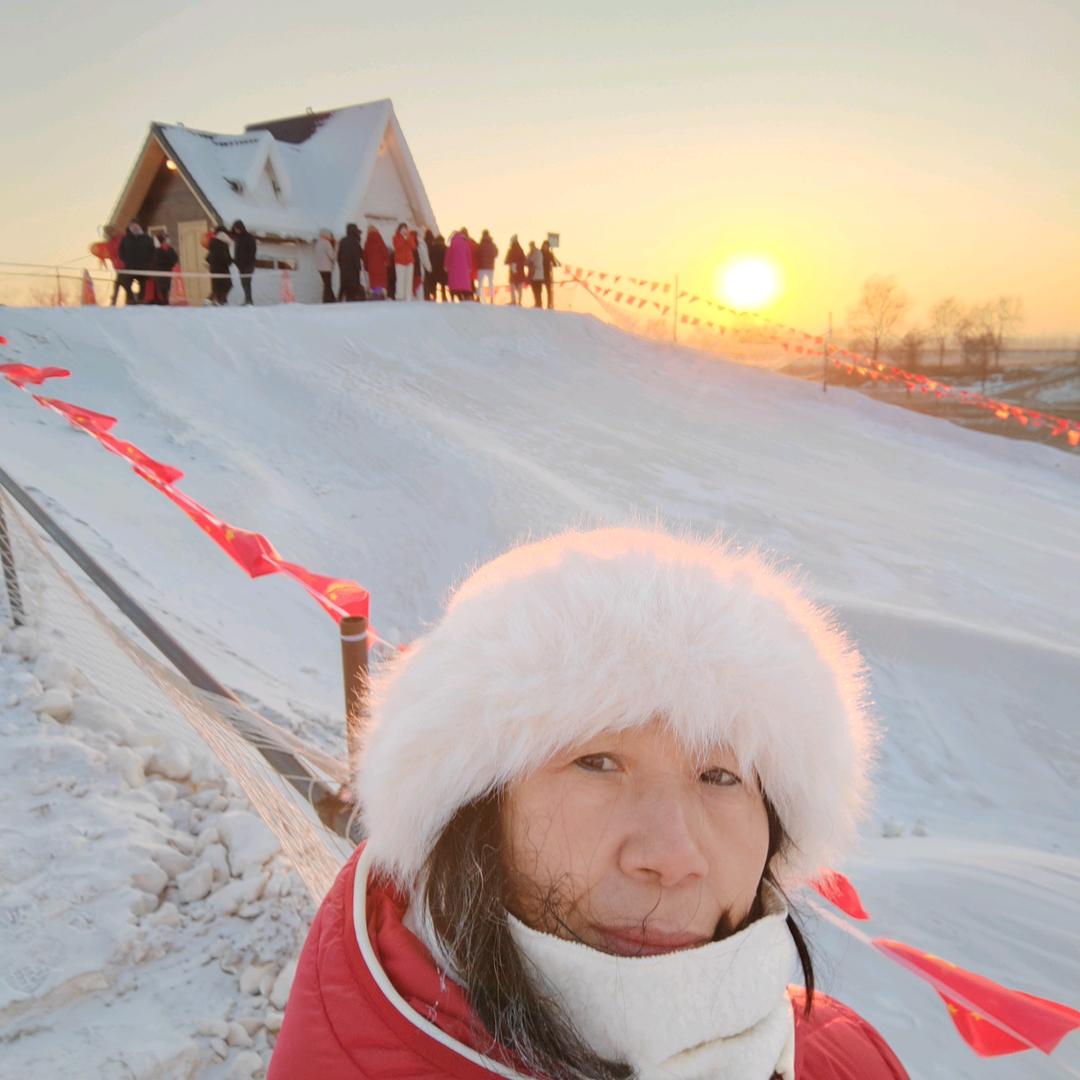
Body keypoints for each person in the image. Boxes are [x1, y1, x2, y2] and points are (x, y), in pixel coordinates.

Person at [269, 527, 908, 1080]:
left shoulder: (842, 1059)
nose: (672, 856)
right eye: (598, 763)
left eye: (720, 777)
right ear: (474, 809)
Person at [119, 222, 155, 304]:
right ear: (130, 229)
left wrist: (148, 262)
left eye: (136, 226)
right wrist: (125, 260)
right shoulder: (126, 239)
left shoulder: (147, 238)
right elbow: (121, 251)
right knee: (126, 283)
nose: (135, 228)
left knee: (142, 284)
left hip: (143, 266)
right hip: (129, 266)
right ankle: (130, 299)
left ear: (139, 227)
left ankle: (141, 299)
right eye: (132, 227)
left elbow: (152, 251)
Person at [232, 220, 257, 306]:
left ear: (241, 227)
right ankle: (247, 299)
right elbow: (236, 251)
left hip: (248, 265)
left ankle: (249, 300)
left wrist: (248, 262)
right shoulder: (237, 238)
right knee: (243, 282)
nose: (236, 230)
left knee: (247, 282)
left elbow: (252, 251)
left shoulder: (249, 237)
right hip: (240, 266)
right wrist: (236, 261)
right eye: (235, 229)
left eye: (237, 228)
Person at [206, 226, 233, 306]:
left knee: (218, 286)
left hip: (215, 267)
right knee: (225, 285)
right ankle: (218, 301)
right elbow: (224, 256)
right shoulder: (222, 242)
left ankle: (215, 300)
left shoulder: (214, 241)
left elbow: (211, 255)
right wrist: (230, 260)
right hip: (221, 268)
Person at [105, 225, 131, 306]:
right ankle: (129, 300)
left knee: (121, 284)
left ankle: (125, 301)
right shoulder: (110, 242)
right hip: (118, 267)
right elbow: (111, 254)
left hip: (125, 266)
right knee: (123, 284)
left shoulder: (122, 238)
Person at [338, 223, 365, 302]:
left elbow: (339, 256)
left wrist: (341, 265)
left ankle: (340, 300)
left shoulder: (342, 241)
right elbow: (359, 255)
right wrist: (358, 267)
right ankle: (351, 303)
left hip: (344, 268)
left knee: (343, 285)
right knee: (353, 288)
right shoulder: (355, 242)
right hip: (353, 269)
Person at [446, 229, 474, 302]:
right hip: (464, 267)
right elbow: (469, 256)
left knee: (454, 282)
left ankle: (453, 296)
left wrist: (446, 265)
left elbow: (448, 255)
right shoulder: (465, 243)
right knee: (463, 282)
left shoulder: (452, 243)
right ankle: (464, 296)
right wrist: (470, 266)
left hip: (453, 266)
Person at [151, 234, 179, 305]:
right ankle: (164, 302)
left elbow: (175, 258)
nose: (168, 241)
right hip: (160, 273)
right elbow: (157, 261)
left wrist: (171, 263)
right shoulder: (157, 250)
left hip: (169, 272)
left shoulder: (170, 249)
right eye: (167, 240)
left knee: (167, 289)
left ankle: (167, 302)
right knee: (162, 290)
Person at [392, 223, 417, 302]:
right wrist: (403, 238)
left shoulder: (410, 236)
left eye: (405, 228)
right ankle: (400, 296)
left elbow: (413, 247)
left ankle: (408, 296)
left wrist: (408, 237)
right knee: (400, 279)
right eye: (402, 229)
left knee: (409, 279)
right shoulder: (395, 237)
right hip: (399, 262)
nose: (404, 230)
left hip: (409, 261)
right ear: (399, 230)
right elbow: (397, 247)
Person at [364, 226, 389, 299]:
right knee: (380, 281)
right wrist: (387, 262)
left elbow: (365, 256)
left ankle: (375, 294)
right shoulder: (380, 240)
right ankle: (381, 294)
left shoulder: (367, 242)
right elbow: (385, 252)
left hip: (371, 267)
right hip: (381, 266)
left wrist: (366, 266)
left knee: (374, 282)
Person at [315, 229, 336, 303]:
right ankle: (328, 300)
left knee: (326, 284)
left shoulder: (318, 243)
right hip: (327, 267)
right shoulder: (327, 243)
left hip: (320, 267)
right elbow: (332, 256)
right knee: (328, 285)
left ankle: (331, 299)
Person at [477, 229, 498, 303]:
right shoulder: (493, 244)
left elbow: (477, 254)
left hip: (481, 266)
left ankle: (478, 297)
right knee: (491, 283)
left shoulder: (480, 244)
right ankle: (492, 298)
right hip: (490, 267)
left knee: (480, 283)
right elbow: (496, 254)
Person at [505, 234, 526, 306]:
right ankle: (519, 301)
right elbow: (524, 260)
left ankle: (513, 300)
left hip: (512, 270)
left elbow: (507, 260)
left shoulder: (510, 250)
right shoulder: (521, 250)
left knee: (512, 285)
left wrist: (511, 263)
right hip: (520, 270)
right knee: (520, 286)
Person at [541, 239, 560, 310]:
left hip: (547, 273)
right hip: (540, 272)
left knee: (549, 290)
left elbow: (554, 263)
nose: (545, 247)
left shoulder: (550, 254)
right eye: (544, 245)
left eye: (547, 246)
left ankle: (549, 304)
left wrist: (555, 264)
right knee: (539, 289)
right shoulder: (540, 253)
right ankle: (539, 303)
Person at [429, 233, 448, 302]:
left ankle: (434, 296)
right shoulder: (445, 248)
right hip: (443, 269)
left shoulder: (432, 248)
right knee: (443, 284)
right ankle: (444, 296)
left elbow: (430, 257)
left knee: (434, 283)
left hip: (434, 268)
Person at [526, 240, 545, 307]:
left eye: (531, 245)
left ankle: (539, 303)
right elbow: (526, 261)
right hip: (532, 274)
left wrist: (530, 263)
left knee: (538, 290)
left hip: (538, 274)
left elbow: (537, 263)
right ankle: (537, 302)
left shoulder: (538, 253)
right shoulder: (530, 253)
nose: (531, 247)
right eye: (530, 246)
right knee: (534, 289)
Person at [420, 229, 436, 300]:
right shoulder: (434, 244)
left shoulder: (424, 244)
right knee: (433, 282)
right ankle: (433, 294)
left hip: (425, 267)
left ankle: (427, 295)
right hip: (433, 266)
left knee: (426, 282)